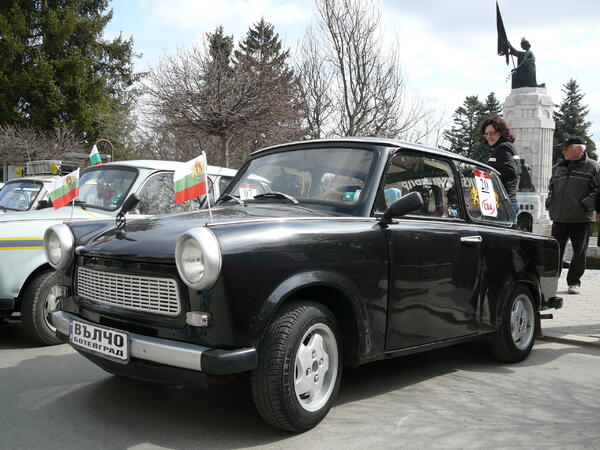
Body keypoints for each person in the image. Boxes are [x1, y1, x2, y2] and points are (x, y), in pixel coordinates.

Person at [546, 136, 600, 294]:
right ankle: (551, 283)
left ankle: (574, 282)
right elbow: (551, 187)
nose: (563, 151)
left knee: (579, 252)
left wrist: (586, 204)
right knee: (555, 251)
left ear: (578, 150)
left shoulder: (594, 168)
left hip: (580, 217)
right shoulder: (557, 168)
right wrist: (550, 202)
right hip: (559, 217)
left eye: (566, 148)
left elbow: (599, 190)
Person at [480, 116, 520, 215]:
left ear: (501, 133)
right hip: (507, 202)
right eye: (486, 134)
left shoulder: (503, 149)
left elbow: (510, 172)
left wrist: (488, 177)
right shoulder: (502, 148)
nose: (489, 136)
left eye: (492, 133)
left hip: (503, 203)